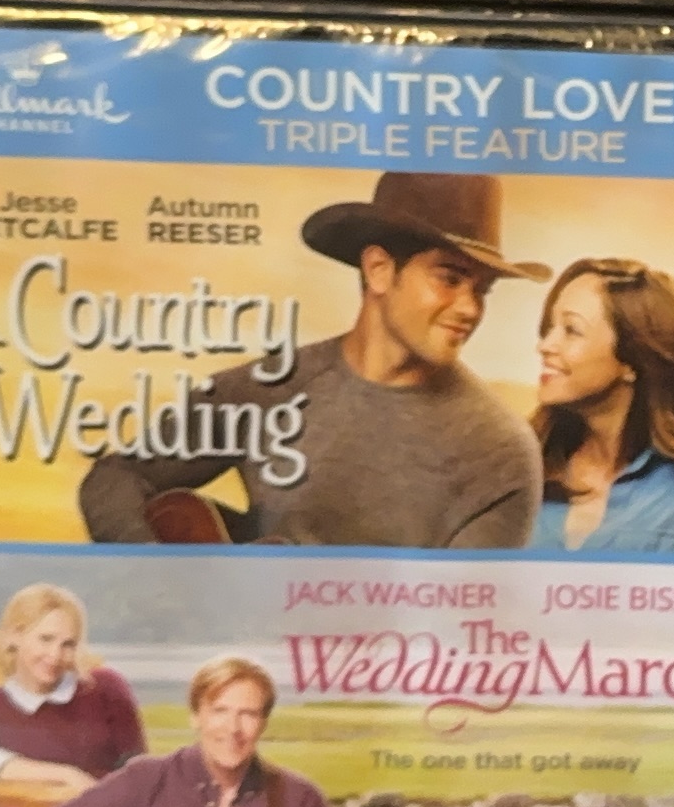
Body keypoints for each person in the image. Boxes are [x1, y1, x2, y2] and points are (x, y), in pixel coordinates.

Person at [76, 170, 547, 548]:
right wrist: (167, 582)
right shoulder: (272, 387)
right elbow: (114, 477)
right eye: (450, 278)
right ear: (379, 270)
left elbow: (466, 617)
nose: (470, 309)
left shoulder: (501, 454)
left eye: (482, 290)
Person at [0, 657, 407, 807]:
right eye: (220, 711)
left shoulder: (300, 802)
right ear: (196, 716)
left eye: (248, 714)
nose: (233, 728)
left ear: (264, 722)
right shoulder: (146, 779)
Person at [531, 257, 674, 553]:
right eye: (549, 327)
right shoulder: (520, 467)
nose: (544, 345)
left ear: (632, 359)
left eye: (571, 330)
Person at [0, 581, 148, 796]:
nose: (55, 655)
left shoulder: (106, 688)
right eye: (45, 639)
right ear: (14, 636)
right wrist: (66, 775)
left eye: (68, 644)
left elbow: (138, 768)